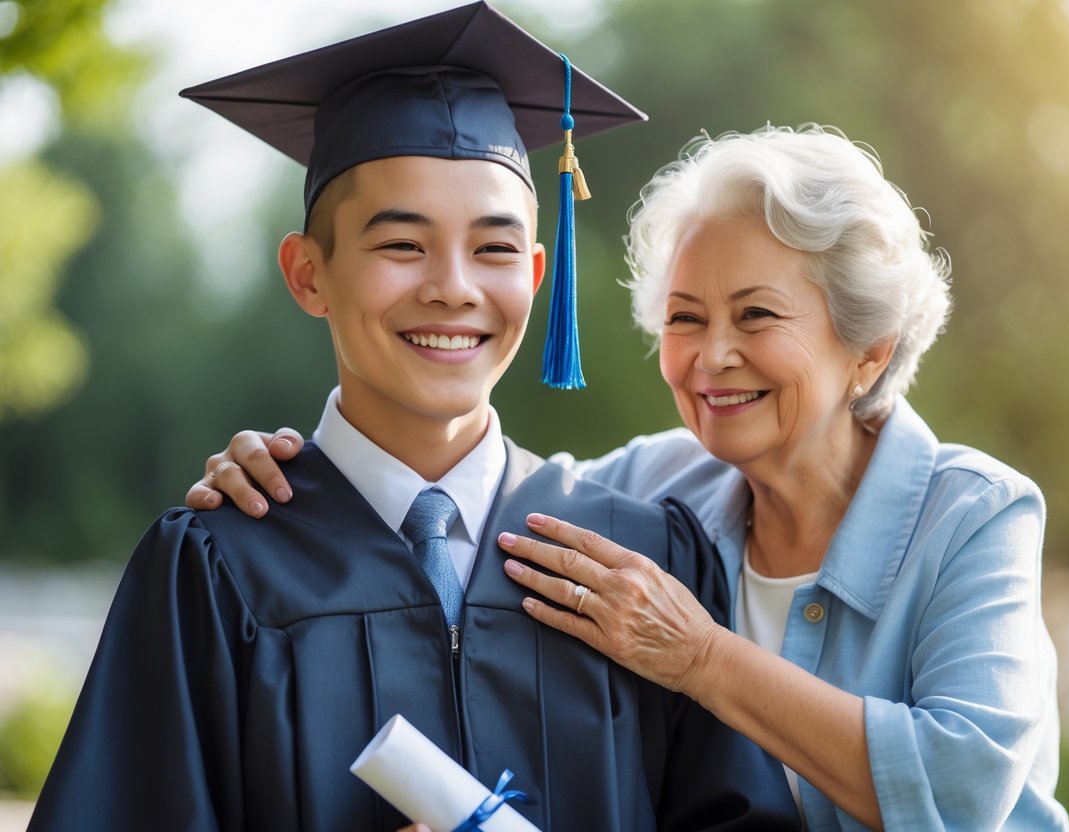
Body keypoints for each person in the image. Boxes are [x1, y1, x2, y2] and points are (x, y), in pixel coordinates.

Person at [29, 5, 801, 830]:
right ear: (308, 273)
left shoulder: (644, 561)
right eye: (402, 245)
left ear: (537, 273)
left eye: (495, 248)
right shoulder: (219, 570)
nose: (453, 287)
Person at [188, 125, 1069, 830]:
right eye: (685, 318)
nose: (712, 356)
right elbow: (459, 492)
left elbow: (959, 794)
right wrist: (299, 473)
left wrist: (700, 656)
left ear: (868, 351)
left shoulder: (971, 514)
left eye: (756, 314)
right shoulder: (657, 495)